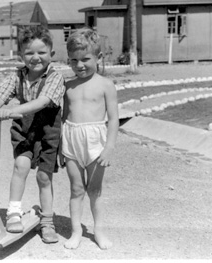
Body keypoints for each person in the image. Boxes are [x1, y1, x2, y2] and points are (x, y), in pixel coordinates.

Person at [0, 25, 65, 244]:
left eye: (41, 52)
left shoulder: (56, 78)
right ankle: (13, 213)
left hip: (47, 132)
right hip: (24, 130)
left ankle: (47, 221)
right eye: (29, 53)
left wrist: (11, 111)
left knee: (43, 177)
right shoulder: (17, 76)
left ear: (51, 55)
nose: (35, 58)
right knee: (20, 167)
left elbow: (42, 102)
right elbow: (1, 94)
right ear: (21, 56)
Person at [60, 28, 119, 250]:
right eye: (74, 60)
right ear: (68, 61)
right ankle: (76, 232)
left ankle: (98, 231)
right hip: (72, 140)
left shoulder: (106, 85)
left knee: (95, 190)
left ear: (98, 58)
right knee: (76, 189)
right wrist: (60, 148)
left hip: (96, 142)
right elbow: (64, 117)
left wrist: (109, 147)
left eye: (85, 59)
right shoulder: (68, 86)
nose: (80, 65)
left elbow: (113, 119)